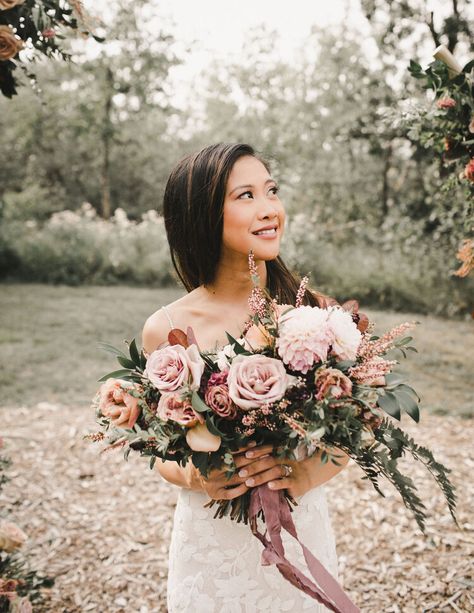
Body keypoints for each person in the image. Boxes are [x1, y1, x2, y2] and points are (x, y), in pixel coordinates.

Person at [142, 143, 351, 612]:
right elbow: (157, 448)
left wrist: (304, 473)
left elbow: (358, 427)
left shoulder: (312, 314)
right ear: (202, 214)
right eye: (246, 196)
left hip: (300, 530)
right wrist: (199, 478)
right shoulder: (167, 326)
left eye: (271, 191)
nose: (270, 209)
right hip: (210, 542)